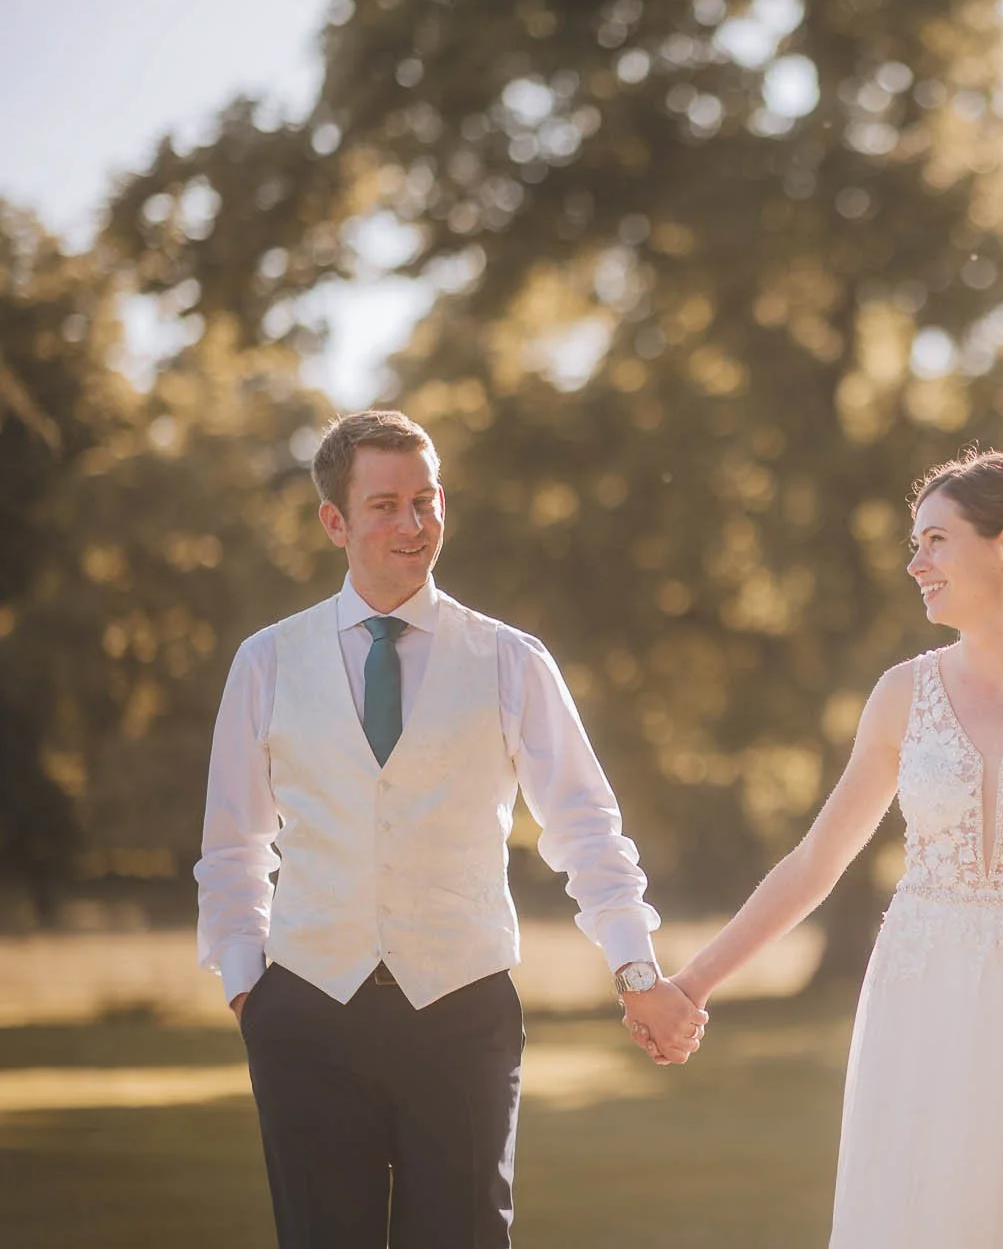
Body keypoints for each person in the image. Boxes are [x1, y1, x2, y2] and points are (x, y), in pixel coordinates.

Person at [636, 450, 1003, 1248]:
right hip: (925, 1000)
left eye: (934, 540)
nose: (914, 562)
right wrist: (692, 981)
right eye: (915, 543)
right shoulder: (902, 693)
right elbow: (816, 861)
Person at [193, 410, 705, 1249]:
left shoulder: (509, 659)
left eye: (426, 501)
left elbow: (584, 825)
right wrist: (250, 987)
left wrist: (635, 964)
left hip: (463, 1014)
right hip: (308, 1013)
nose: (413, 524)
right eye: (386, 504)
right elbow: (233, 845)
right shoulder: (268, 661)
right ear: (335, 520)